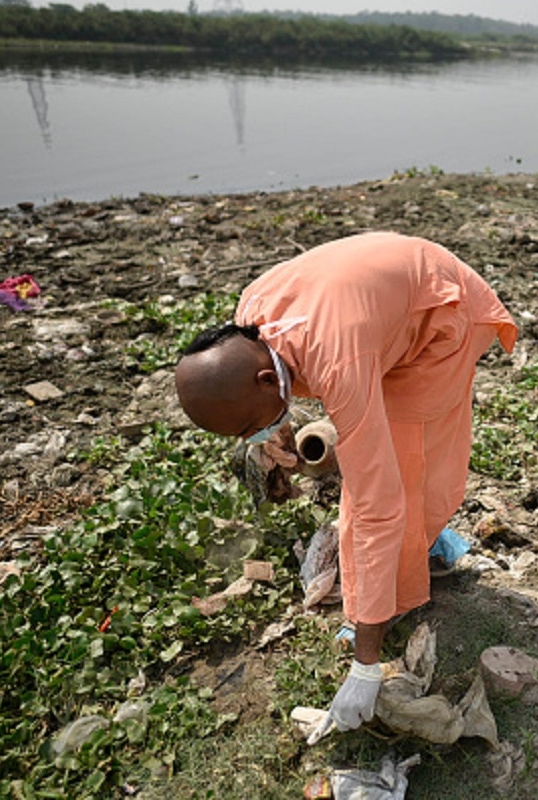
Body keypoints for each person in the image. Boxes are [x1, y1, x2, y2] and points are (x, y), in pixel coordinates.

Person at [174, 232, 517, 740]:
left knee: (404, 471)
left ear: (267, 379)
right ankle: (384, 590)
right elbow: (279, 390)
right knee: (379, 475)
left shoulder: (338, 363)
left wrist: (365, 668)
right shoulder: (251, 318)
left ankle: (390, 605)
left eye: (251, 427)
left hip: (444, 316)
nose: (256, 437)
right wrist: (274, 431)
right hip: (388, 303)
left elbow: (379, 508)